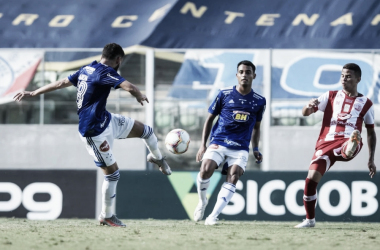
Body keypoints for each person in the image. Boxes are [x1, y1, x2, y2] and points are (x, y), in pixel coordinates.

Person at [13, 43, 172, 227]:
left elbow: (61, 82)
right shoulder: (105, 72)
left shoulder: (87, 68)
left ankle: (157, 158)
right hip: (94, 132)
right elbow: (129, 87)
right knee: (113, 175)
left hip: (107, 120)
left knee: (147, 131)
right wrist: (138, 94)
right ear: (118, 59)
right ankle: (107, 215)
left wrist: (34, 92)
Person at [295, 63, 377, 228]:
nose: (344, 79)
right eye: (342, 75)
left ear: (358, 79)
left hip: (348, 139)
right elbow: (305, 113)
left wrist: (371, 159)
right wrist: (308, 107)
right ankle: (310, 220)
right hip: (326, 143)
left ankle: (350, 146)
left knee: (350, 144)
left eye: (348, 76)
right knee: (311, 180)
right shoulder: (330, 96)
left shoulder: (366, 104)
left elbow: (371, 132)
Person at [193, 60, 266, 225]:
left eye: (248, 72)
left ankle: (213, 216)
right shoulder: (224, 94)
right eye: (241, 72)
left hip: (240, 147)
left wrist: (255, 148)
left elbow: (256, 127)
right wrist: (203, 145)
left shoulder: (259, 101)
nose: (244, 75)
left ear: (254, 76)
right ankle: (202, 201)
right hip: (219, 140)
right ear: (237, 75)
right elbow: (209, 119)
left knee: (233, 175)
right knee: (205, 169)